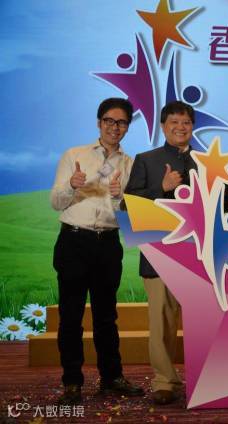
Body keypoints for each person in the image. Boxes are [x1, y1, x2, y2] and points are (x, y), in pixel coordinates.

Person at [51, 98, 143, 404]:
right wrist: (72, 185)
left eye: (121, 122)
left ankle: (111, 377)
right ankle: (72, 382)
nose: (114, 127)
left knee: (106, 316)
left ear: (127, 127)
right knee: (71, 315)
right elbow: (56, 202)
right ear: (99, 122)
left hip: (108, 244)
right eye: (109, 121)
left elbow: (130, 216)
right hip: (74, 241)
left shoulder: (130, 165)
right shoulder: (74, 155)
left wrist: (119, 197)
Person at [125, 101, 197, 405]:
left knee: (203, 321)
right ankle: (165, 381)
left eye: (186, 122)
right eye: (174, 122)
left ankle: (204, 378)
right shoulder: (146, 160)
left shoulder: (206, 163)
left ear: (192, 127)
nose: (181, 127)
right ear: (163, 126)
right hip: (160, 253)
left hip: (200, 253)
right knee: (162, 322)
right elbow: (127, 204)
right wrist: (161, 187)